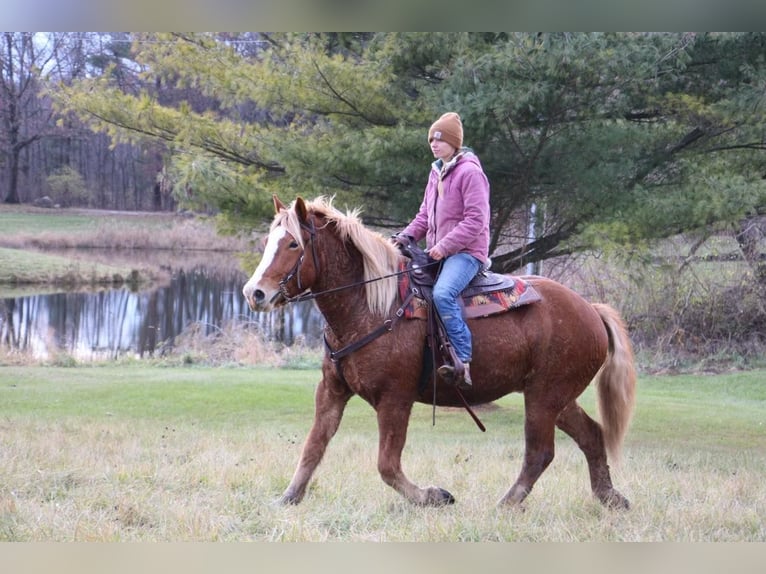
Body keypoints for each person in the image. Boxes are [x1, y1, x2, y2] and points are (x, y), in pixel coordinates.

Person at [392, 112, 490, 389]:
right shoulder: (436, 172)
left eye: (440, 139)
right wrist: (405, 237)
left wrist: (443, 247)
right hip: (440, 253)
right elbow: (424, 216)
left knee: (443, 294)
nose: (434, 144)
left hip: (467, 253)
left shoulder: (470, 173)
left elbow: (476, 221)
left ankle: (463, 360)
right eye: (431, 140)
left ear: (454, 143)